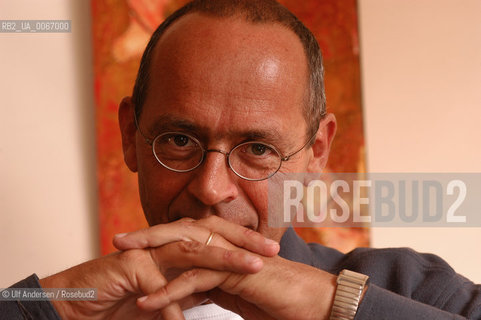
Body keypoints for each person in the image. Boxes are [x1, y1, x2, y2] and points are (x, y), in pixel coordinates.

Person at [2, 0, 480, 319]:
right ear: (131, 135)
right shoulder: (72, 306)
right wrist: (49, 306)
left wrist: (330, 303)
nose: (211, 188)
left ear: (316, 153)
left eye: (257, 150)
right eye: (179, 140)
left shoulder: (415, 290)